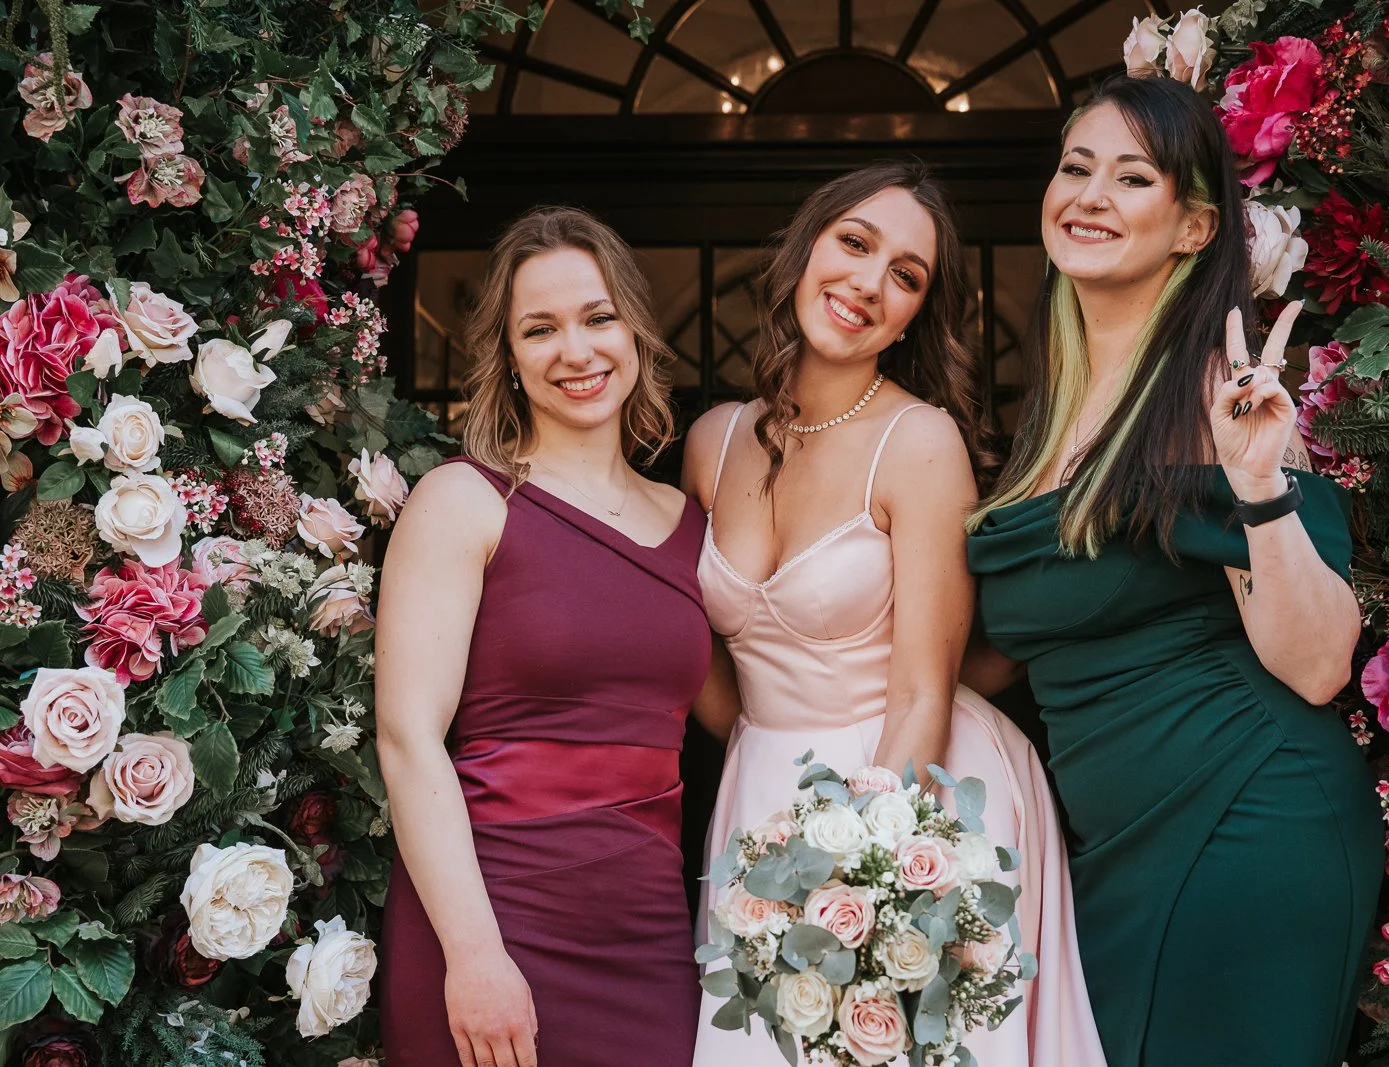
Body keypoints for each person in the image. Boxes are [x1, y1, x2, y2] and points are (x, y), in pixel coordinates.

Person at [963, 74, 1385, 1066]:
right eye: (1075, 168)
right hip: (1108, 855)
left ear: (1193, 227)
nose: (1089, 195)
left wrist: (1258, 486)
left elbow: (1321, 662)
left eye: (1130, 176)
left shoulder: (1216, 394)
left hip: (1247, 817)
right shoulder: (1042, 418)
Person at [685, 161, 1106, 1066]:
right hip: (759, 794)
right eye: (854, 243)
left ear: (917, 312)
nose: (868, 285)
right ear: (805, 248)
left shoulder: (919, 442)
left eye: (906, 276)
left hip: (910, 798)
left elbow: (924, 690)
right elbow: (705, 669)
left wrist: (856, 887)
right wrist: (760, 767)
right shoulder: (710, 440)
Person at [375, 207, 708, 1067]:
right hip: (491, 918)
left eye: (599, 318)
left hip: (648, 931)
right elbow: (408, 738)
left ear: (635, 331)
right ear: (510, 358)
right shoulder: (465, 500)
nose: (578, 350)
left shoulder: (689, 522)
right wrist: (477, 956)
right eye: (541, 328)